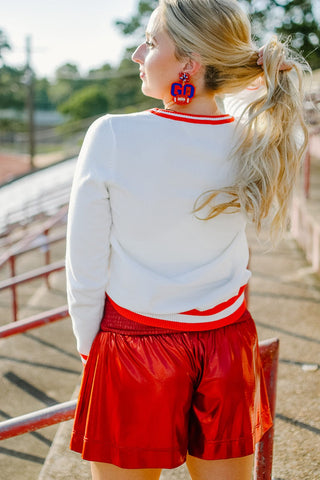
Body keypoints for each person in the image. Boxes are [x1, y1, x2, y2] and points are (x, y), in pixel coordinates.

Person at [66, 0, 308, 478]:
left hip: (132, 345)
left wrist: (87, 348)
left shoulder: (113, 135)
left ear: (189, 63)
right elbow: (248, 99)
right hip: (226, 345)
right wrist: (255, 68)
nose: (137, 54)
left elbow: (85, 262)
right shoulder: (255, 138)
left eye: (152, 42)